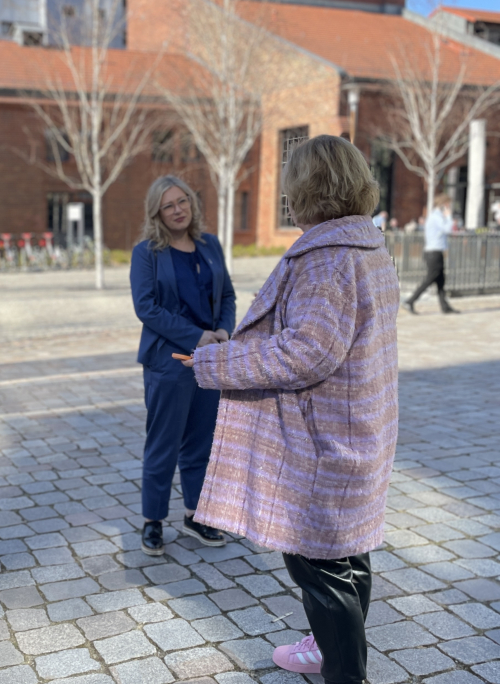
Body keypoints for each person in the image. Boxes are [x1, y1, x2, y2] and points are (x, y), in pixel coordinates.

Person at [184, 135, 399, 684]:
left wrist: (220, 363)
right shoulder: (365, 245)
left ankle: (344, 673)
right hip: (352, 425)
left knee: (319, 564)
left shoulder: (329, 257)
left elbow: (308, 353)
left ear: (306, 189)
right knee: (346, 555)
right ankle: (326, 650)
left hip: (324, 438)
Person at [130, 175, 236, 556]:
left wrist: (224, 330)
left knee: (202, 443)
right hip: (169, 362)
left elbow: (226, 294)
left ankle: (196, 514)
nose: (177, 210)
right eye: (168, 205)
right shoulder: (147, 253)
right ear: (157, 212)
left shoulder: (210, 245)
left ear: (192, 204)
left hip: (209, 360)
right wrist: (197, 335)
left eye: (183, 202)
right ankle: (153, 521)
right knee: (163, 444)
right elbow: (146, 308)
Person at [403, 193, 457, 314]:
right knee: (430, 279)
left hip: (436, 251)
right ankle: (410, 301)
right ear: (443, 204)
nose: (449, 207)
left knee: (441, 280)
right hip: (434, 252)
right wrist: (449, 217)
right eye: (448, 204)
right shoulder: (436, 217)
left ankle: (445, 307)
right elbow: (448, 229)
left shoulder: (436, 216)